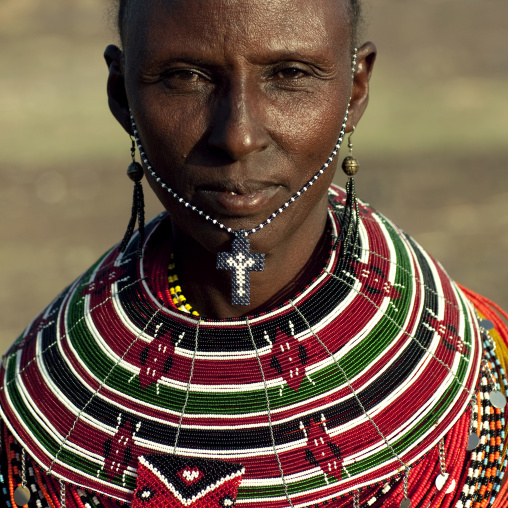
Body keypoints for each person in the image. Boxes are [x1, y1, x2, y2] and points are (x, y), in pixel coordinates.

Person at [1, 0, 507, 507]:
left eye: (290, 74)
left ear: (355, 89)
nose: (237, 137)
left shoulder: (482, 386)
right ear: (122, 96)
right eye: (185, 76)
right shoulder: (25, 411)